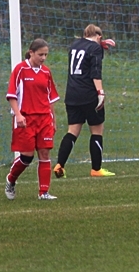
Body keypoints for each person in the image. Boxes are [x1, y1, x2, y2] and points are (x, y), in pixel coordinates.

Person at [54, 24, 117, 179]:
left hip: (72, 95)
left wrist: (100, 45)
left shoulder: (74, 45)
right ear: (99, 37)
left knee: (72, 131)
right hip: (89, 94)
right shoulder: (95, 48)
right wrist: (100, 92)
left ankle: (59, 164)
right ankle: (96, 169)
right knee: (96, 131)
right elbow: (95, 72)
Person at [5, 38, 60, 200]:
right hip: (26, 119)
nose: (43, 58)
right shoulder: (20, 70)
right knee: (27, 157)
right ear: (31, 53)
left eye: (46, 55)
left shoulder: (46, 72)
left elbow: (50, 99)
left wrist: (53, 121)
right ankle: (11, 179)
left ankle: (44, 192)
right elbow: (12, 95)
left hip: (44, 119)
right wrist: (18, 114)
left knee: (44, 153)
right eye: (40, 54)